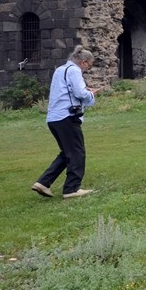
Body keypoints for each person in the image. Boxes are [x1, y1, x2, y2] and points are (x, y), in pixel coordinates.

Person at [32, 45, 99, 199]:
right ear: (83, 62)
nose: (87, 69)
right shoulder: (75, 71)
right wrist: (91, 94)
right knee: (77, 152)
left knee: (67, 153)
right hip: (67, 117)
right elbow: (79, 93)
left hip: (54, 118)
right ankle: (71, 189)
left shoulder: (60, 69)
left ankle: (43, 183)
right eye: (89, 65)